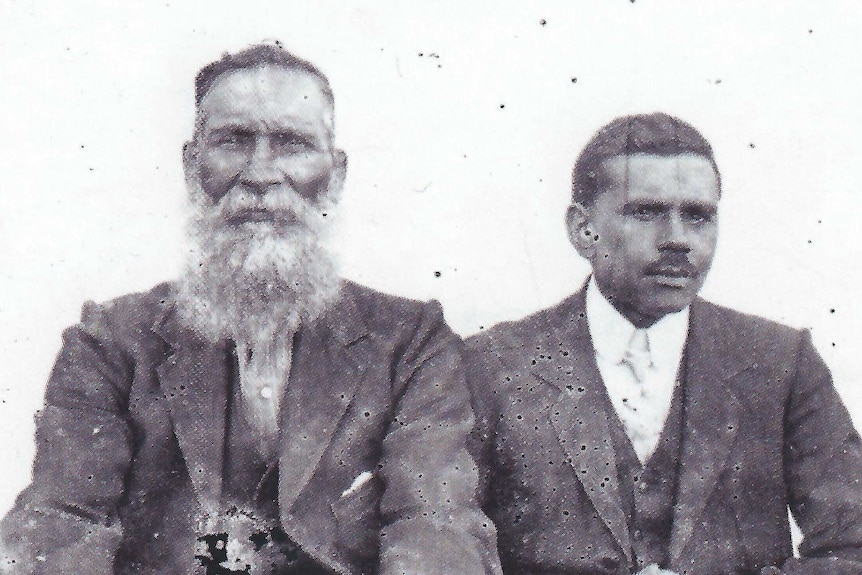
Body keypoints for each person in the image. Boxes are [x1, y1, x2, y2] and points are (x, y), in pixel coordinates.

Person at [1, 43, 501, 575]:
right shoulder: (110, 340)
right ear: (193, 168)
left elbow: (436, 523)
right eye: (234, 141)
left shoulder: (411, 341)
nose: (261, 174)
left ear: (334, 174)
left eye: (292, 144)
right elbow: (61, 522)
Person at [466, 113, 862, 575]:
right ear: (582, 230)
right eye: (646, 212)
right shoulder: (492, 366)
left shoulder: (778, 363)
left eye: (698, 216)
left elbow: (852, 547)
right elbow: (438, 545)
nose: (677, 239)